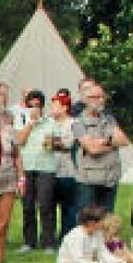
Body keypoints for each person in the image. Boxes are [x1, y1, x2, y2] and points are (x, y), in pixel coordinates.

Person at [73, 81, 130, 213]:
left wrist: (103, 141)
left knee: (106, 221)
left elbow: (124, 140)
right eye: (96, 97)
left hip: (110, 178)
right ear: (86, 100)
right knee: (88, 222)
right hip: (89, 181)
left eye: (102, 97)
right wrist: (113, 143)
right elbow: (92, 149)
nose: (100, 100)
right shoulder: (78, 123)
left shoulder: (109, 119)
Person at [14, 89, 57, 252]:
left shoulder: (50, 122)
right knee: (27, 205)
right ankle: (29, 241)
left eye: (37, 106)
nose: (34, 109)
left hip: (46, 167)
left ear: (42, 107)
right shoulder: (20, 120)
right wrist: (30, 123)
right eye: (31, 105)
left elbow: (57, 143)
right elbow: (19, 140)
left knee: (46, 205)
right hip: (26, 167)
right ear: (26, 106)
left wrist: (54, 142)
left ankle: (48, 241)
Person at [0, 101, 23, 263]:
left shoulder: (10, 132)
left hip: (8, 179)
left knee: (3, 222)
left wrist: (21, 178)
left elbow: (17, 155)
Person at [55, 205, 129, 263]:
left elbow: (103, 253)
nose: (104, 223)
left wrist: (116, 262)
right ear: (92, 223)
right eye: (102, 220)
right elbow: (78, 261)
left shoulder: (98, 233)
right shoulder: (76, 236)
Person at [48, 91, 79, 237]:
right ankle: (49, 238)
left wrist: (52, 142)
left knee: (68, 206)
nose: (51, 109)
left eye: (55, 105)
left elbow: (68, 143)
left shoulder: (73, 123)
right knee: (49, 206)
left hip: (67, 171)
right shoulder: (49, 123)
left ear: (64, 107)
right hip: (49, 170)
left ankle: (67, 235)